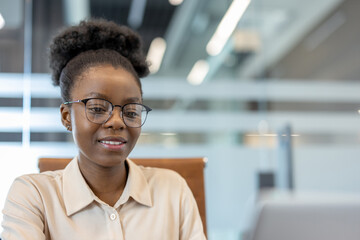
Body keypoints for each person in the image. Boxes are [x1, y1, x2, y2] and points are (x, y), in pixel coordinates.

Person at [1, 19, 206, 240]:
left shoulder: (173, 190)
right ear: (66, 116)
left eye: (130, 111)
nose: (117, 122)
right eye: (97, 108)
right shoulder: (34, 195)